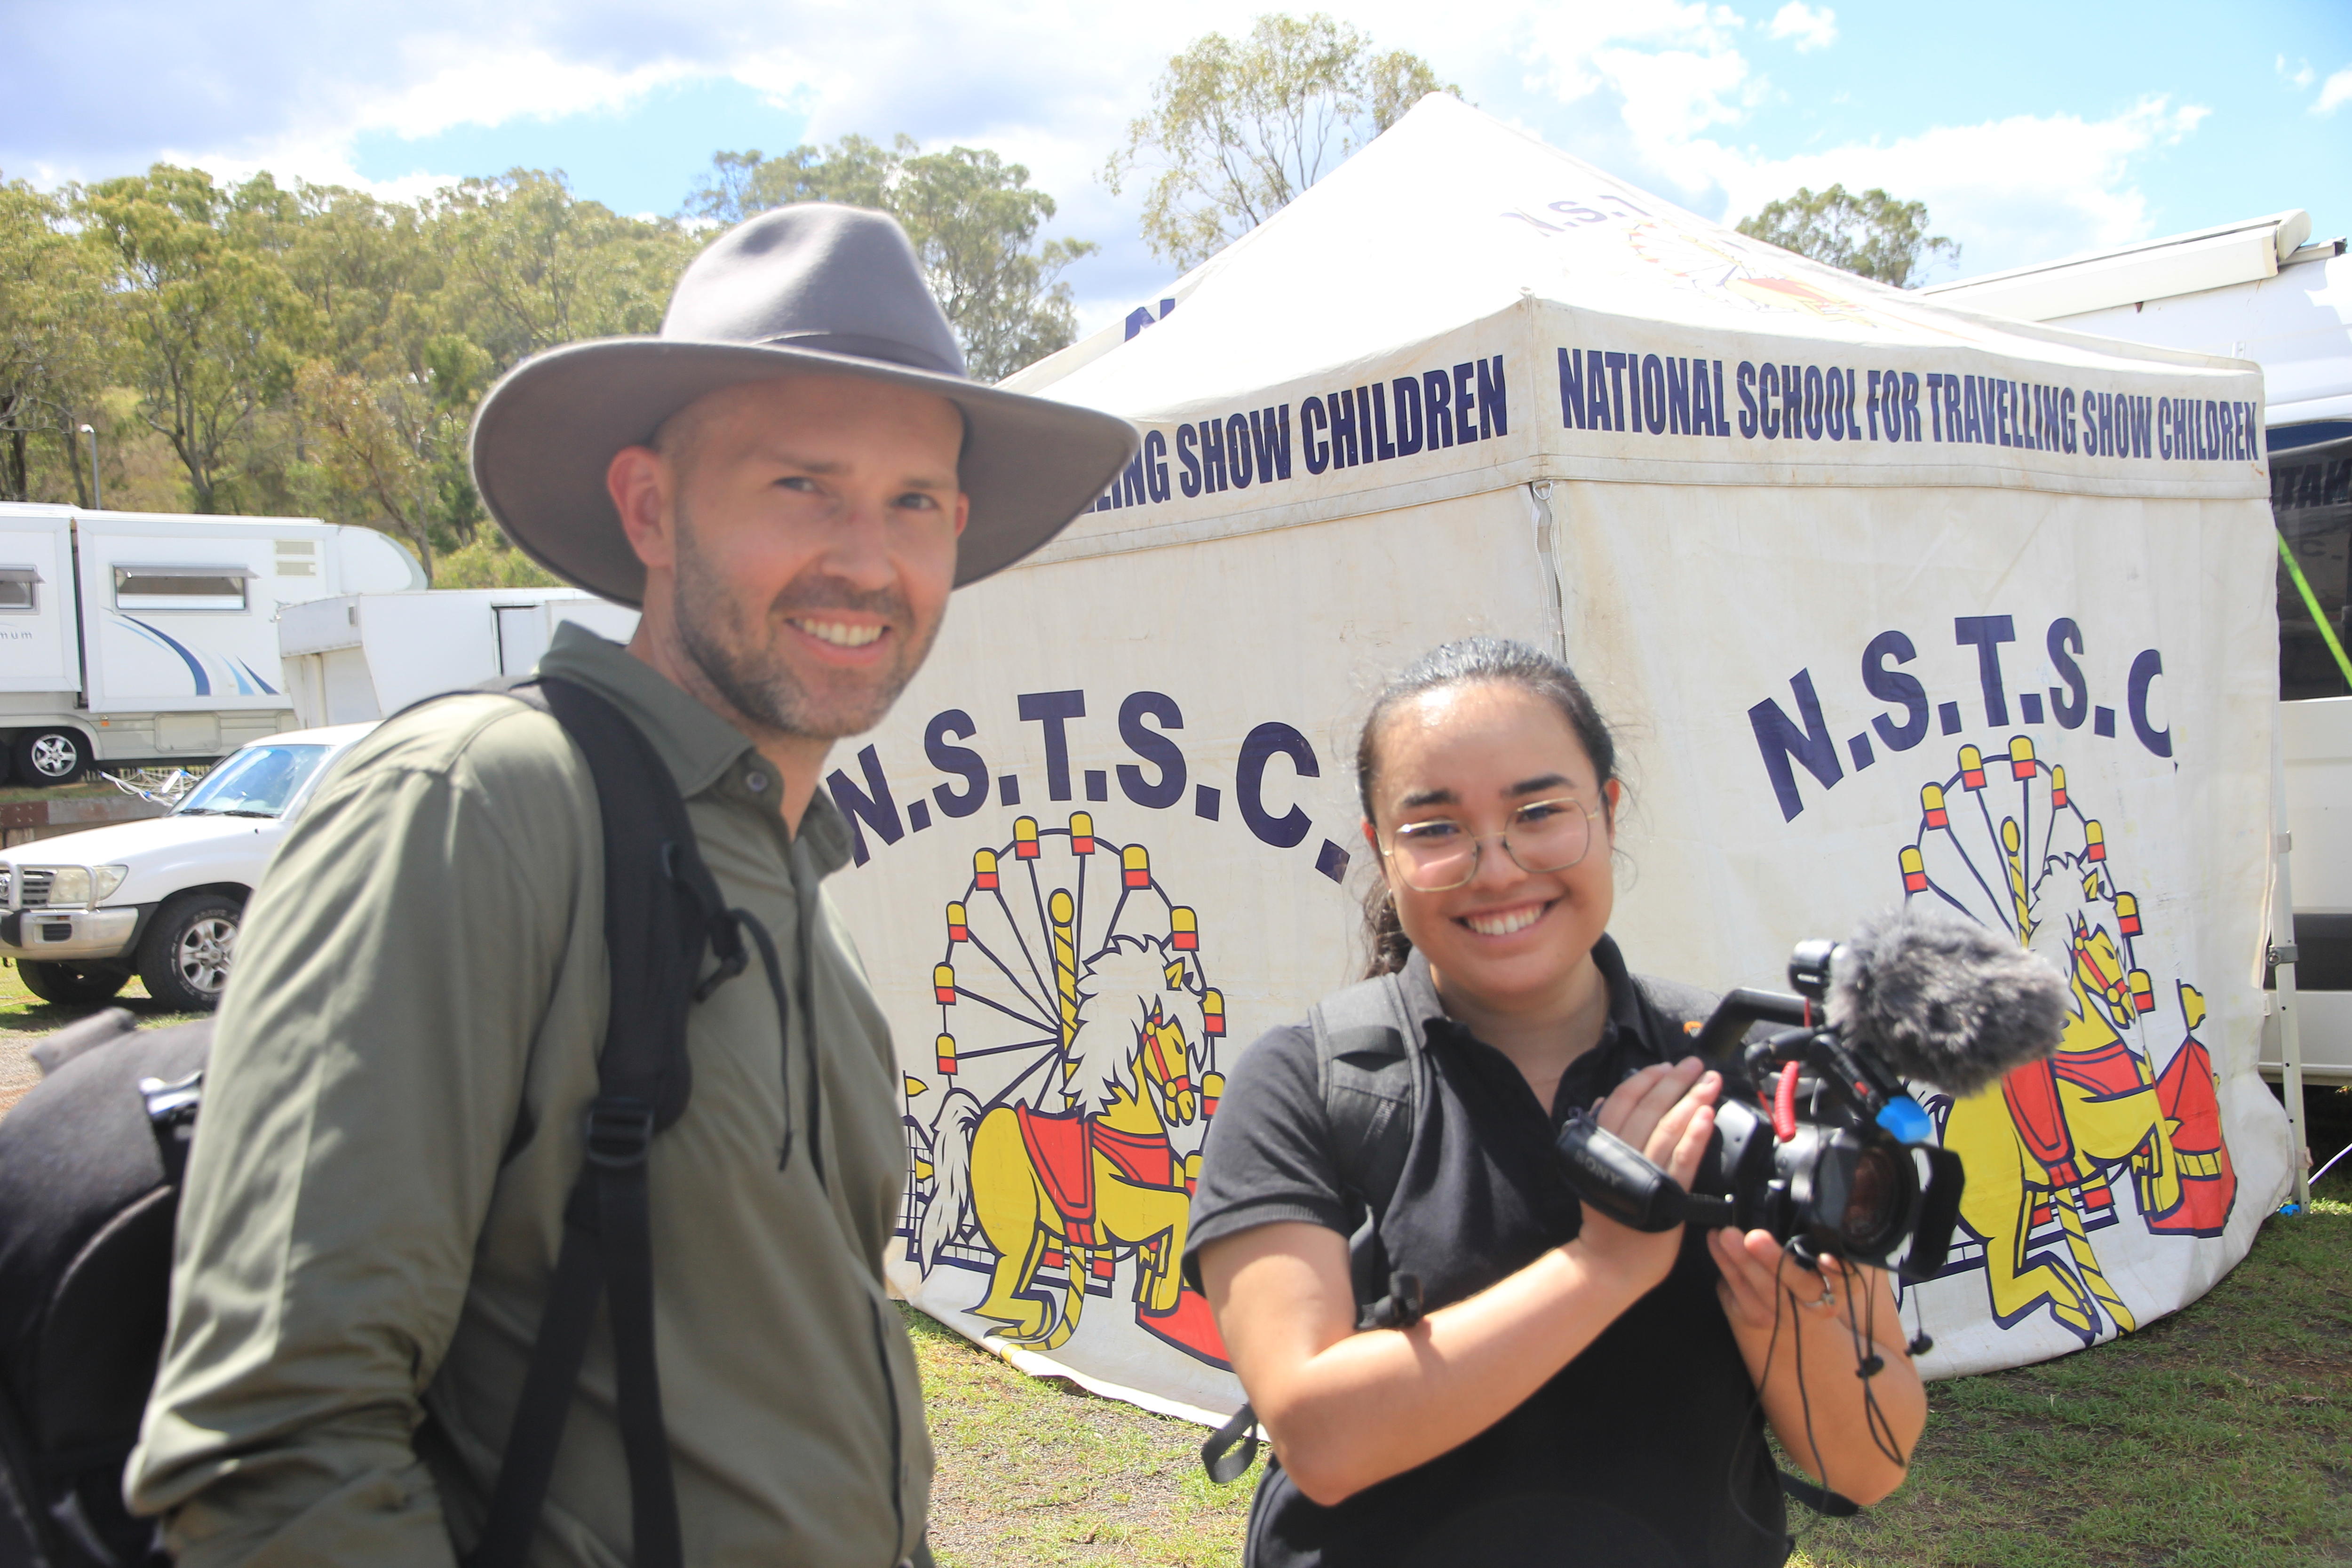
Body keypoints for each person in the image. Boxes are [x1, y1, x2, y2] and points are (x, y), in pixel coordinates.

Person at [124, 205, 1135, 1567]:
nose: (866, 559)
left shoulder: (787, 881)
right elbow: (275, 1442)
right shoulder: (482, 807)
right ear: (651, 509)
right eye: (802, 486)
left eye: (914, 504)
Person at [1185, 637, 1927, 1568]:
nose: (1495, 868)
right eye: (1435, 828)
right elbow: (1321, 1439)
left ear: (1607, 813)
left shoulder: (1750, 1083)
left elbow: (1867, 1464)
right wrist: (1602, 1265)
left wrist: (1803, 1316)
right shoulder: (1305, 1083)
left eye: (1538, 811)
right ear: (1382, 848)